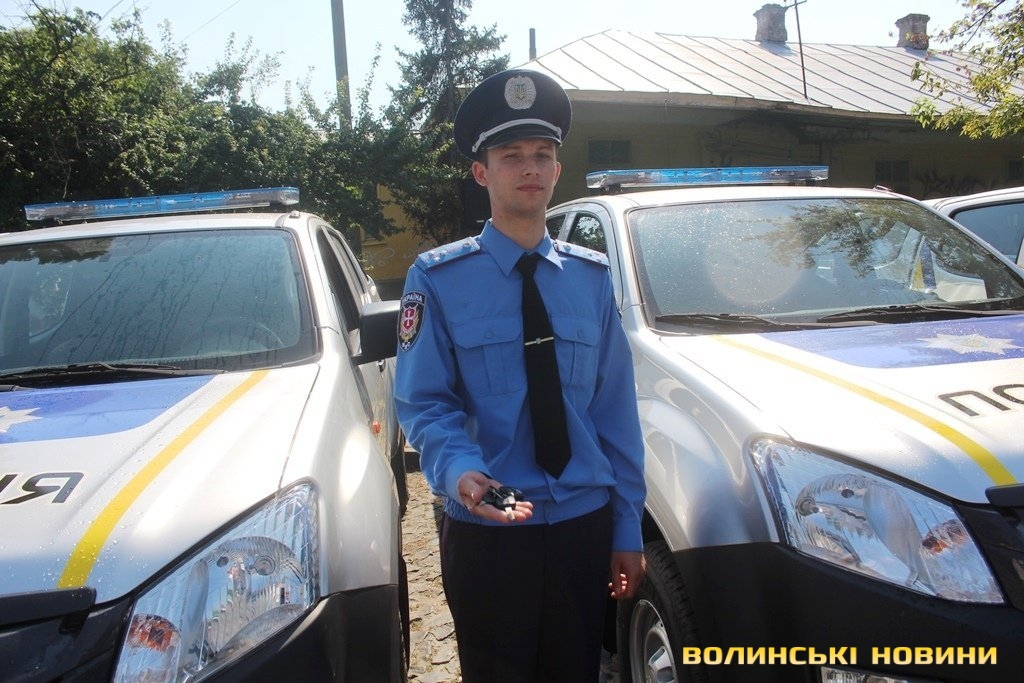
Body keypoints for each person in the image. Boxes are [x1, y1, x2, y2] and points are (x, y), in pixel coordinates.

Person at [394, 68, 646, 683]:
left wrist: (627, 526)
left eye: (542, 154)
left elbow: (615, 412)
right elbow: (424, 402)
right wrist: (460, 473)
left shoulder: (591, 279)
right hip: (489, 525)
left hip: (582, 525)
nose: (529, 167)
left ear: (557, 170)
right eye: (511, 156)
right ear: (482, 173)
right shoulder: (438, 279)